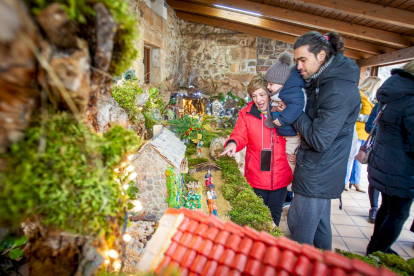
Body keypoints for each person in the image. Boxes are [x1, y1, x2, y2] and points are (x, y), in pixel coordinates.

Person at [284, 31, 361, 250]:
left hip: (318, 173)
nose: (298, 66)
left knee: (300, 232)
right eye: (297, 60)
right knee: (319, 230)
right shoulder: (324, 82)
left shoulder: (337, 90)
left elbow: (319, 139)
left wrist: (294, 113)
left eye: (302, 60)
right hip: (318, 170)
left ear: (321, 55)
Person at [220, 75, 293, 227]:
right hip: (256, 178)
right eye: (254, 96)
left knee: (273, 220)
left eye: (262, 95)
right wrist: (232, 144)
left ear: (269, 94)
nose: (258, 99)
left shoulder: (284, 111)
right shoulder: (246, 114)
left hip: (280, 178)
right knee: (255, 220)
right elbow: (239, 135)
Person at [366, 60, 414, 255]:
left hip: (384, 159)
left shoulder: (391, 94)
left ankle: (375, 245)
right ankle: (378, 250)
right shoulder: (411, 99)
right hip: (404, 166)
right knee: (398, 214)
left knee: (386, 208)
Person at [264, 52, 305, 173]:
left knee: (290, 155)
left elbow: (297, 106)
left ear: (282, 83)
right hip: (283, 132)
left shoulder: (290, 93)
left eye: (271, 84)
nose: (268, 87)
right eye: (267, 84)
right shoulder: (276, 95)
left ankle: (292, 180)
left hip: (292, 133)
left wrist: (282, 119)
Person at [346, 76, 382, 193]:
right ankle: (344, 181)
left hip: (366, 134)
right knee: (350, 157)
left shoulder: (376, 100)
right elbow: (354, 114)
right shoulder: (360, 96)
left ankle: (355, 181)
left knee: (360, 158)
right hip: (357, 131)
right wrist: (371, 119)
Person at [365, 103, 380, 223]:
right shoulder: (382, 104)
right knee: (375, 179)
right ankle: (374, 207)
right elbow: (369, 126)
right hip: (379, 149)